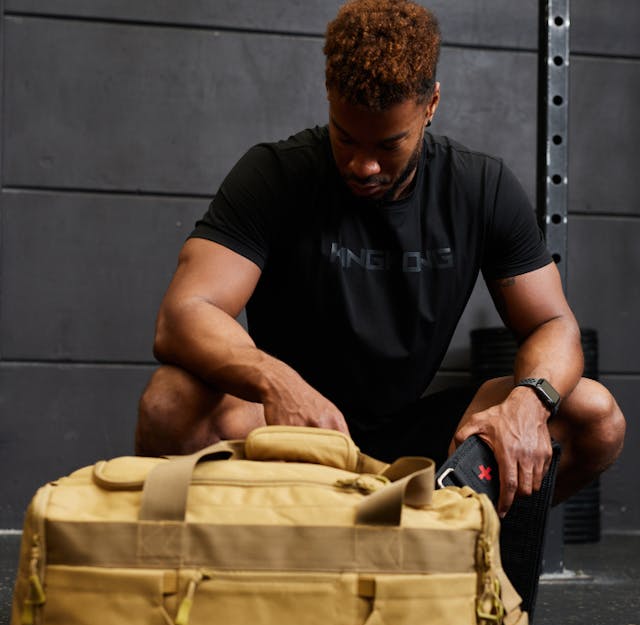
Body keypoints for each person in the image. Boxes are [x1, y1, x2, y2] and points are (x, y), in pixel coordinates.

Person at [136, 0, 625, 518]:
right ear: (329, 98)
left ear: (431, 105)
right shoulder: (274, 176)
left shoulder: (480, 187)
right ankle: (215, 572)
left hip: (411, 437)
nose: (362, 164)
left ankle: (467, 549)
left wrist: (529, 401)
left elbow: (553, 322)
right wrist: (276, 380)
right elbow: (184, 315)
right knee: (172, 400)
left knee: (594, 415)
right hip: (287, 429)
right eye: (345, 137)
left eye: (389, 145)